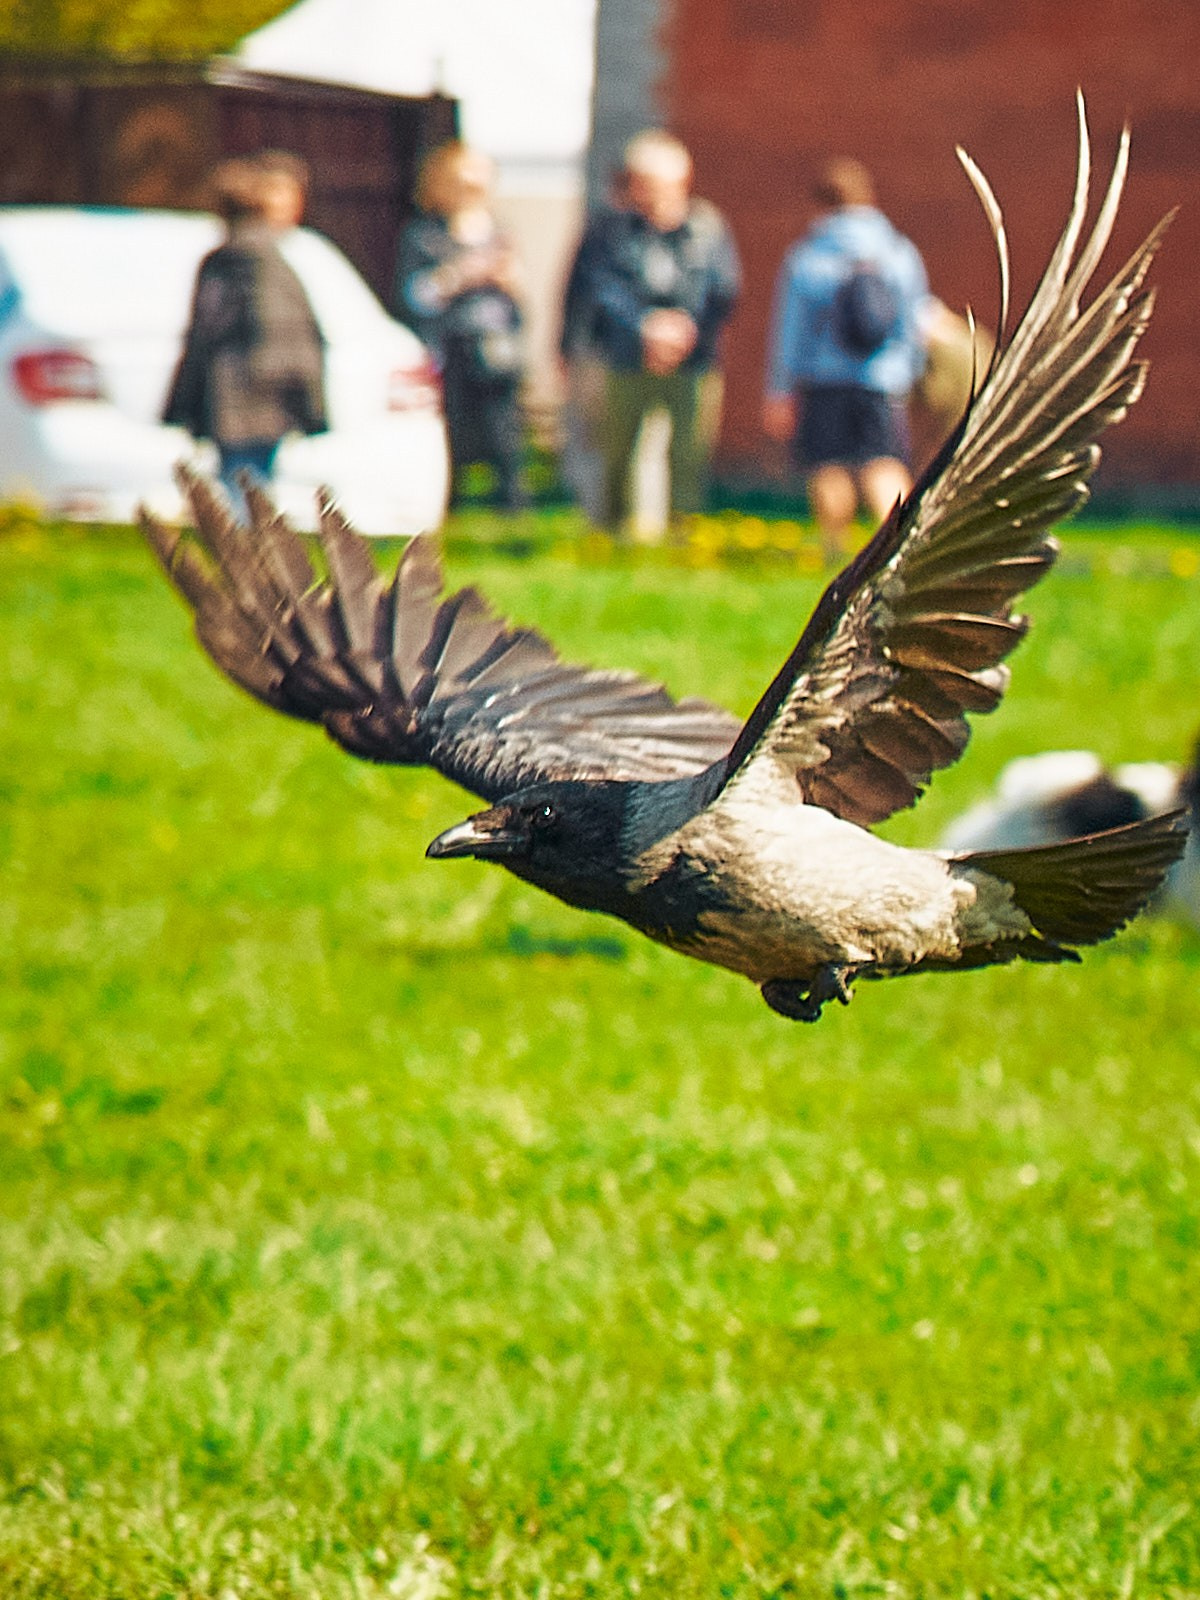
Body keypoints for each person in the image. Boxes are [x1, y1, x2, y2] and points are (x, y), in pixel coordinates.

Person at [565, 131, 741, 533]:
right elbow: (599, 287)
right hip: (626, 356)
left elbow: (724, 288)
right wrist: (645, 328)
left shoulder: (707, 229)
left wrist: (684, 328)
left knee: (688, 453)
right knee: (617, 450)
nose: (641, 194)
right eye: (636, 183)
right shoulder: (612, 230)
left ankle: (683, 533)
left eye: (651, 185)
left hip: (693, 360)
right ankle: (613, 532)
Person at [762, 157, 928, 563]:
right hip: (882, 380)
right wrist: (908, 373)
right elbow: (914, 322)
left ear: (821, 204)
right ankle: (902, 549)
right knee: (884, 463)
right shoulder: (899, 252)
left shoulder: (809, 256)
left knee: (829, 465)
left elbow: (791, 330)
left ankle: (835, 550)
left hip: (825, 381)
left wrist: (779, 389)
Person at [164, 153, 327, 517]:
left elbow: (206, 334)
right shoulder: (272, 257)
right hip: (271, 401)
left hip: (237, 400)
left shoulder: (230, 260)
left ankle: (252, 566)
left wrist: (184, 401)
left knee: (243, 494)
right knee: (255, 486)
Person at [392, 142, 528, 511]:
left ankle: (511, 505)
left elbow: (519, 298)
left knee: (504, 429)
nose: (472, 195)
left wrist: (508, 279)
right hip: (450, 346)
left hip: (496, 344)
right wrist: (460, 274)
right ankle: (449, 503)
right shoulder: (425, 235)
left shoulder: (499, 231)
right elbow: (413, 296)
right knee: (451, 429)